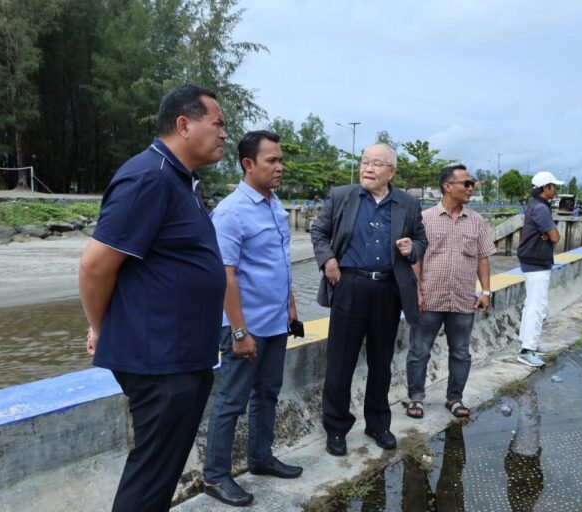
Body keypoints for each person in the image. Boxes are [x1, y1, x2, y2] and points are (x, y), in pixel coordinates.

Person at [78, 84, 227, 512]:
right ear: (183, 125)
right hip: (159, 361)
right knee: (150, 478)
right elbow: (94, 266)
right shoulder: (150, 177)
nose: (223, 134)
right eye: (217, 124)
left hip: (182, 356)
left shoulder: (181, 180)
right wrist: (101, 327)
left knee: (161, 474)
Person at [202, 130, 302, 507]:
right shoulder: (231, 212)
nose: (280, 167)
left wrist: (291, 306)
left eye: (280, 160)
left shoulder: (274, 206)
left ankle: (261, 458)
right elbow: (224, 276)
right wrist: (239, 331)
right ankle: (215, 476)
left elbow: (279, 264)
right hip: (246, 325)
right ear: (248, 164)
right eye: (271, 161)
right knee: (232, 400)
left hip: (276, 322)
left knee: (268, 393)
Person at [311, 143, 428, 456]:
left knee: (381, 362)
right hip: (349, 285)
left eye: (376, 163)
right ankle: (336, 428)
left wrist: (412, 249)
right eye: (365, 162)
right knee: (340, 362)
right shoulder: (342, 196)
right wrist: (328, 260)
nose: (368, 168)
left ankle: (377, 423)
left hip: (387, 290)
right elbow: (318, 233)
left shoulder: (407, 203)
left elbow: (421, 239)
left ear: (391, 171)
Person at [405, 164, 496, 420]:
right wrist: (417, 292)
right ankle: (416, 397)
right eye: (466, 184)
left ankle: (454, 398)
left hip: (463, 300)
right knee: (419, 351)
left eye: (471, 184)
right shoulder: (424, 219)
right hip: (430, 299)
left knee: (461, 353)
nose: (470, 188)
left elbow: (483, 258)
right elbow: (415, 259)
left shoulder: (476, 221)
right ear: (447, 186)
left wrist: (486, 291)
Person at [516, 171, 563, 367]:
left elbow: (549, 234)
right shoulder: (541, 208)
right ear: (546, 188)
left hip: (532, 260)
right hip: (536, 261)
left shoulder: (536, 205)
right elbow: (555, 237)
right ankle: (527, 350)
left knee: (532, 305)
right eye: (554, 186)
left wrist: (547, 233)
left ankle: (528, 344)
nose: (556, 189)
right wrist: (549, 234)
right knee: (537, 306)